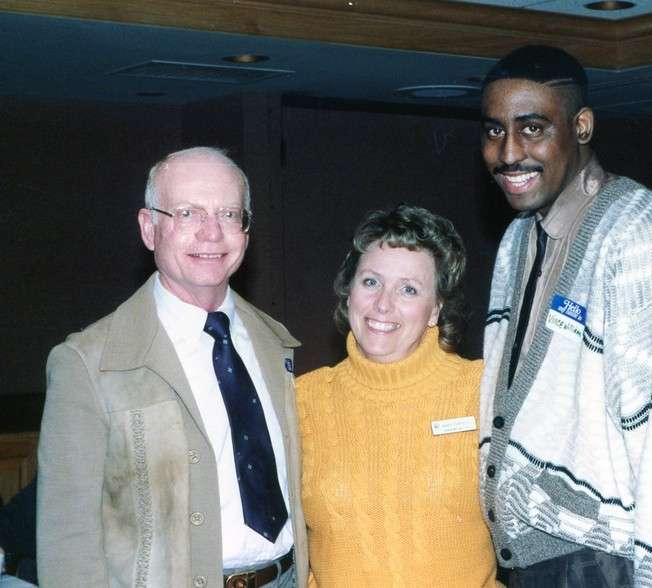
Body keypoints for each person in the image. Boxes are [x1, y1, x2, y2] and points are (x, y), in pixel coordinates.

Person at [478, 46, 652, 586]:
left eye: (532, 128)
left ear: (582, 126)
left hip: (603, 564)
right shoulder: (518, 239)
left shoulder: (640, 236)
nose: (509, 153)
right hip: (533, 561)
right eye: (495, 131)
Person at [37, 147, 307, 587]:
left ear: (245, 230)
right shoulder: (88, 363)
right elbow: (67, 542)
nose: (211, 233)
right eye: (187, 213)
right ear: (149, 228)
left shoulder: (276, 344)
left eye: (228, 214)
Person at [296, 204, 497, 586]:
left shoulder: (482, 390)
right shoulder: (303, 400)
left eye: (409, 289)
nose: (383, 304)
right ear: (349, 292)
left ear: (436, 309)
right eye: (371, 282)